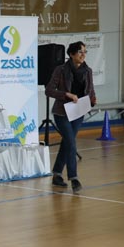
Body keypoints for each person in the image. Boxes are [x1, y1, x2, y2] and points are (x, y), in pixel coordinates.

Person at [45, 41, 96, 193]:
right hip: (62, 112)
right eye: (80, 52)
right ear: (72, 54)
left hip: (78, 112)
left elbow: (90, 89)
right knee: (71, 143)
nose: (83, 55)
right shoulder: (60, 70)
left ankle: (57, 174)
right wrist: (66, 94)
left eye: (85, 52)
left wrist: (93, 100)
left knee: (67, 143)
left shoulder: (88, 71)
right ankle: (74, 178)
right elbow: (49, 90)